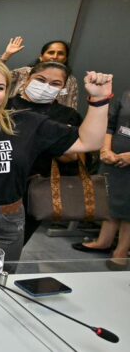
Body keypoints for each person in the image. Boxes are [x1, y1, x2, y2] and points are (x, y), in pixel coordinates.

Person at [0, 60, 112, 264]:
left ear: (6, 93)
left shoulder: (27, 123)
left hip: (5, 223)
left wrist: (99, 100)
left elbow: (89, 142)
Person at [6, 61, 83, 244]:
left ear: (63, 88)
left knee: (14, 242)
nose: (46, 87)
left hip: (33, 189)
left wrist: (52, 142)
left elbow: (72, 156)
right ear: (28, 78)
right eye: (40, 80)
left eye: (55, 84)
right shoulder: (5, 104)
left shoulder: (67, 115)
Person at [72, 89, 130, 269]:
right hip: (112, 158)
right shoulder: (126, 95)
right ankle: (103, 241)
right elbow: (110, 124)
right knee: (109, 199)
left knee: (128, 208)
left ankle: (121, 252)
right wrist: (105, 150)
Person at [2, 39, 79, 109]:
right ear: (41, 57)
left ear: (65, 59)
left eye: (60, 53)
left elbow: (70, 105)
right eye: (51, 52)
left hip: (50, 117)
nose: (55, 56)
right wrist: (6, 55)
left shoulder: (70, 80)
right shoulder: (24, 72)